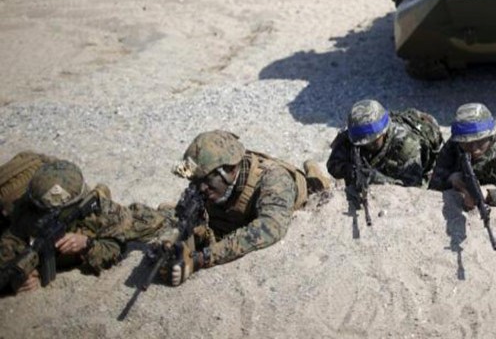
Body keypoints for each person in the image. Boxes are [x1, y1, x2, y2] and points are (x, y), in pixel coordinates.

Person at [164, 130, 332, 286]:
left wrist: (201, 259)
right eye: (196, 182)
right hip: (235, 215)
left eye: (206, 180)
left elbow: (271, 227)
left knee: (319, 187)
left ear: (230, 170)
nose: (201, 188)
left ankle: (313, 173)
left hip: (291, 198)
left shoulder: (275, 179)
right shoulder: (209, 188)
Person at [0, 159, 166, 295]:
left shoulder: (99, 209)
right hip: (30, 176)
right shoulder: (25, 216)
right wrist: (17, 280)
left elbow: (116, 244)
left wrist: (87, 244)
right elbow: (7, 256)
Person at [327, 99, 443, 187]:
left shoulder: (406, 146)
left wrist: (377, 179)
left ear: (384, 133)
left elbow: (413, 188)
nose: (366, 147)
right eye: (360, 144)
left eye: (372, 142)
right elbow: (332, 165)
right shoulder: (354, 135)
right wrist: (352, 171)